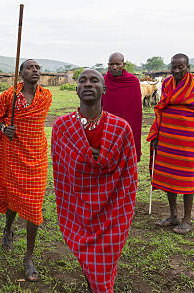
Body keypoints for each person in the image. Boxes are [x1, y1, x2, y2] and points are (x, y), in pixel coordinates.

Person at [52, 69, 138, 292]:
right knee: (89, 259)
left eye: (94, 81)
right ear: (76, 89)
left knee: (105, 260)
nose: (88, 84)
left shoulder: (121, 128)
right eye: (82, 81)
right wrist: (86, 158)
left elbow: (129, 175)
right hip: (77, 209)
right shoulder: (62, 127)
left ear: (105, 89)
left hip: (112, 211)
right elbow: (62, 173)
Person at [0, 59, 52, 282]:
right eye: (30, 67)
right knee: (13, 196)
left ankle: (29, 257)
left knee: (34, 206)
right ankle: (7, 229)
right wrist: (5, 128)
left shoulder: (46, 96)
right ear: (20, 73)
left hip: (37, 155)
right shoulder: (8, 96)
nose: (35, 70)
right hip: (13, 153)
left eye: (38, 68)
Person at [148, 54, 194, 234]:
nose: (176, 71)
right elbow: (163, 107)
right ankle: (173, 215)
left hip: (187, 138)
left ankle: (187, 219)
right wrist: (157, 133)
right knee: (169, 175)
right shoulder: (167, 84)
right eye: (173, 67)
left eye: (180, 67)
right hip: (168, 136)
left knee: (186, 176)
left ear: (188, 67)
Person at [102, 52, 143, 161]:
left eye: (117, 64)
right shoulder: (103, 81)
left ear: (123, 65)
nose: (114, 67)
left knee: (126, 155)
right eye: (111, 64)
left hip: (128, 123)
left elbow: (136, 109)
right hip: (108, 124)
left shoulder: (132, 81)